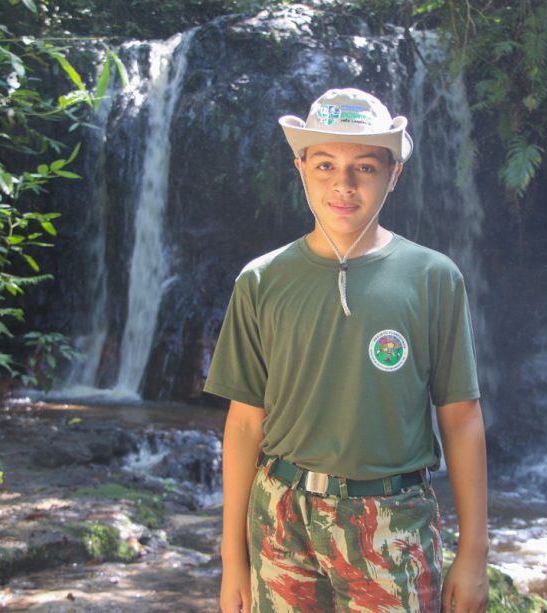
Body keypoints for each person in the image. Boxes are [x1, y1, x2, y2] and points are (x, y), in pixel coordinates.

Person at [205, 87, 488, 613]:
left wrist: (474, 552)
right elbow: (244, 424)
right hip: (280, 519)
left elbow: (461, 417)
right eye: (325, 165)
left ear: (394, 174)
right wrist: (232, 558)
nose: (344, 184)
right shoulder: (261, 281)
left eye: (365, 167)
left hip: (392, 522)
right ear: (300, 169)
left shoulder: (433, 277)